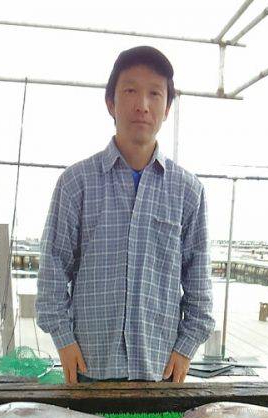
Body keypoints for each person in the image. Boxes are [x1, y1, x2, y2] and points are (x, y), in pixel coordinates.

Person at [36, 45, 215, 384]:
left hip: (159, 370)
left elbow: (198, 282)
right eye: (130, 90)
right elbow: (53, 268)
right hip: (88, 367)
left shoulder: (188, 191)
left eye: (154, 94)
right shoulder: (76, 183)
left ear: (167, 108)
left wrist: (186, 347)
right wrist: (63, 338)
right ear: (110, 103)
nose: (142, 105)